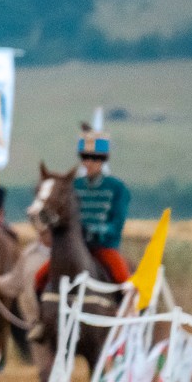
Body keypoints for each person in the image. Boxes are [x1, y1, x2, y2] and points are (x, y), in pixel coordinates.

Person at [72, 119, 132, 282]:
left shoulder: (117, 187)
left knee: (124, 280)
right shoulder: (75, 185)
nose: (88, 163)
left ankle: (131, 307)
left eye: (94, 158)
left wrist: (96, 229)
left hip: (104, 247)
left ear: (102, 160)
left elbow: (117, 224)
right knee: (38, 278)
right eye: (85, 157)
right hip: (77, 247)